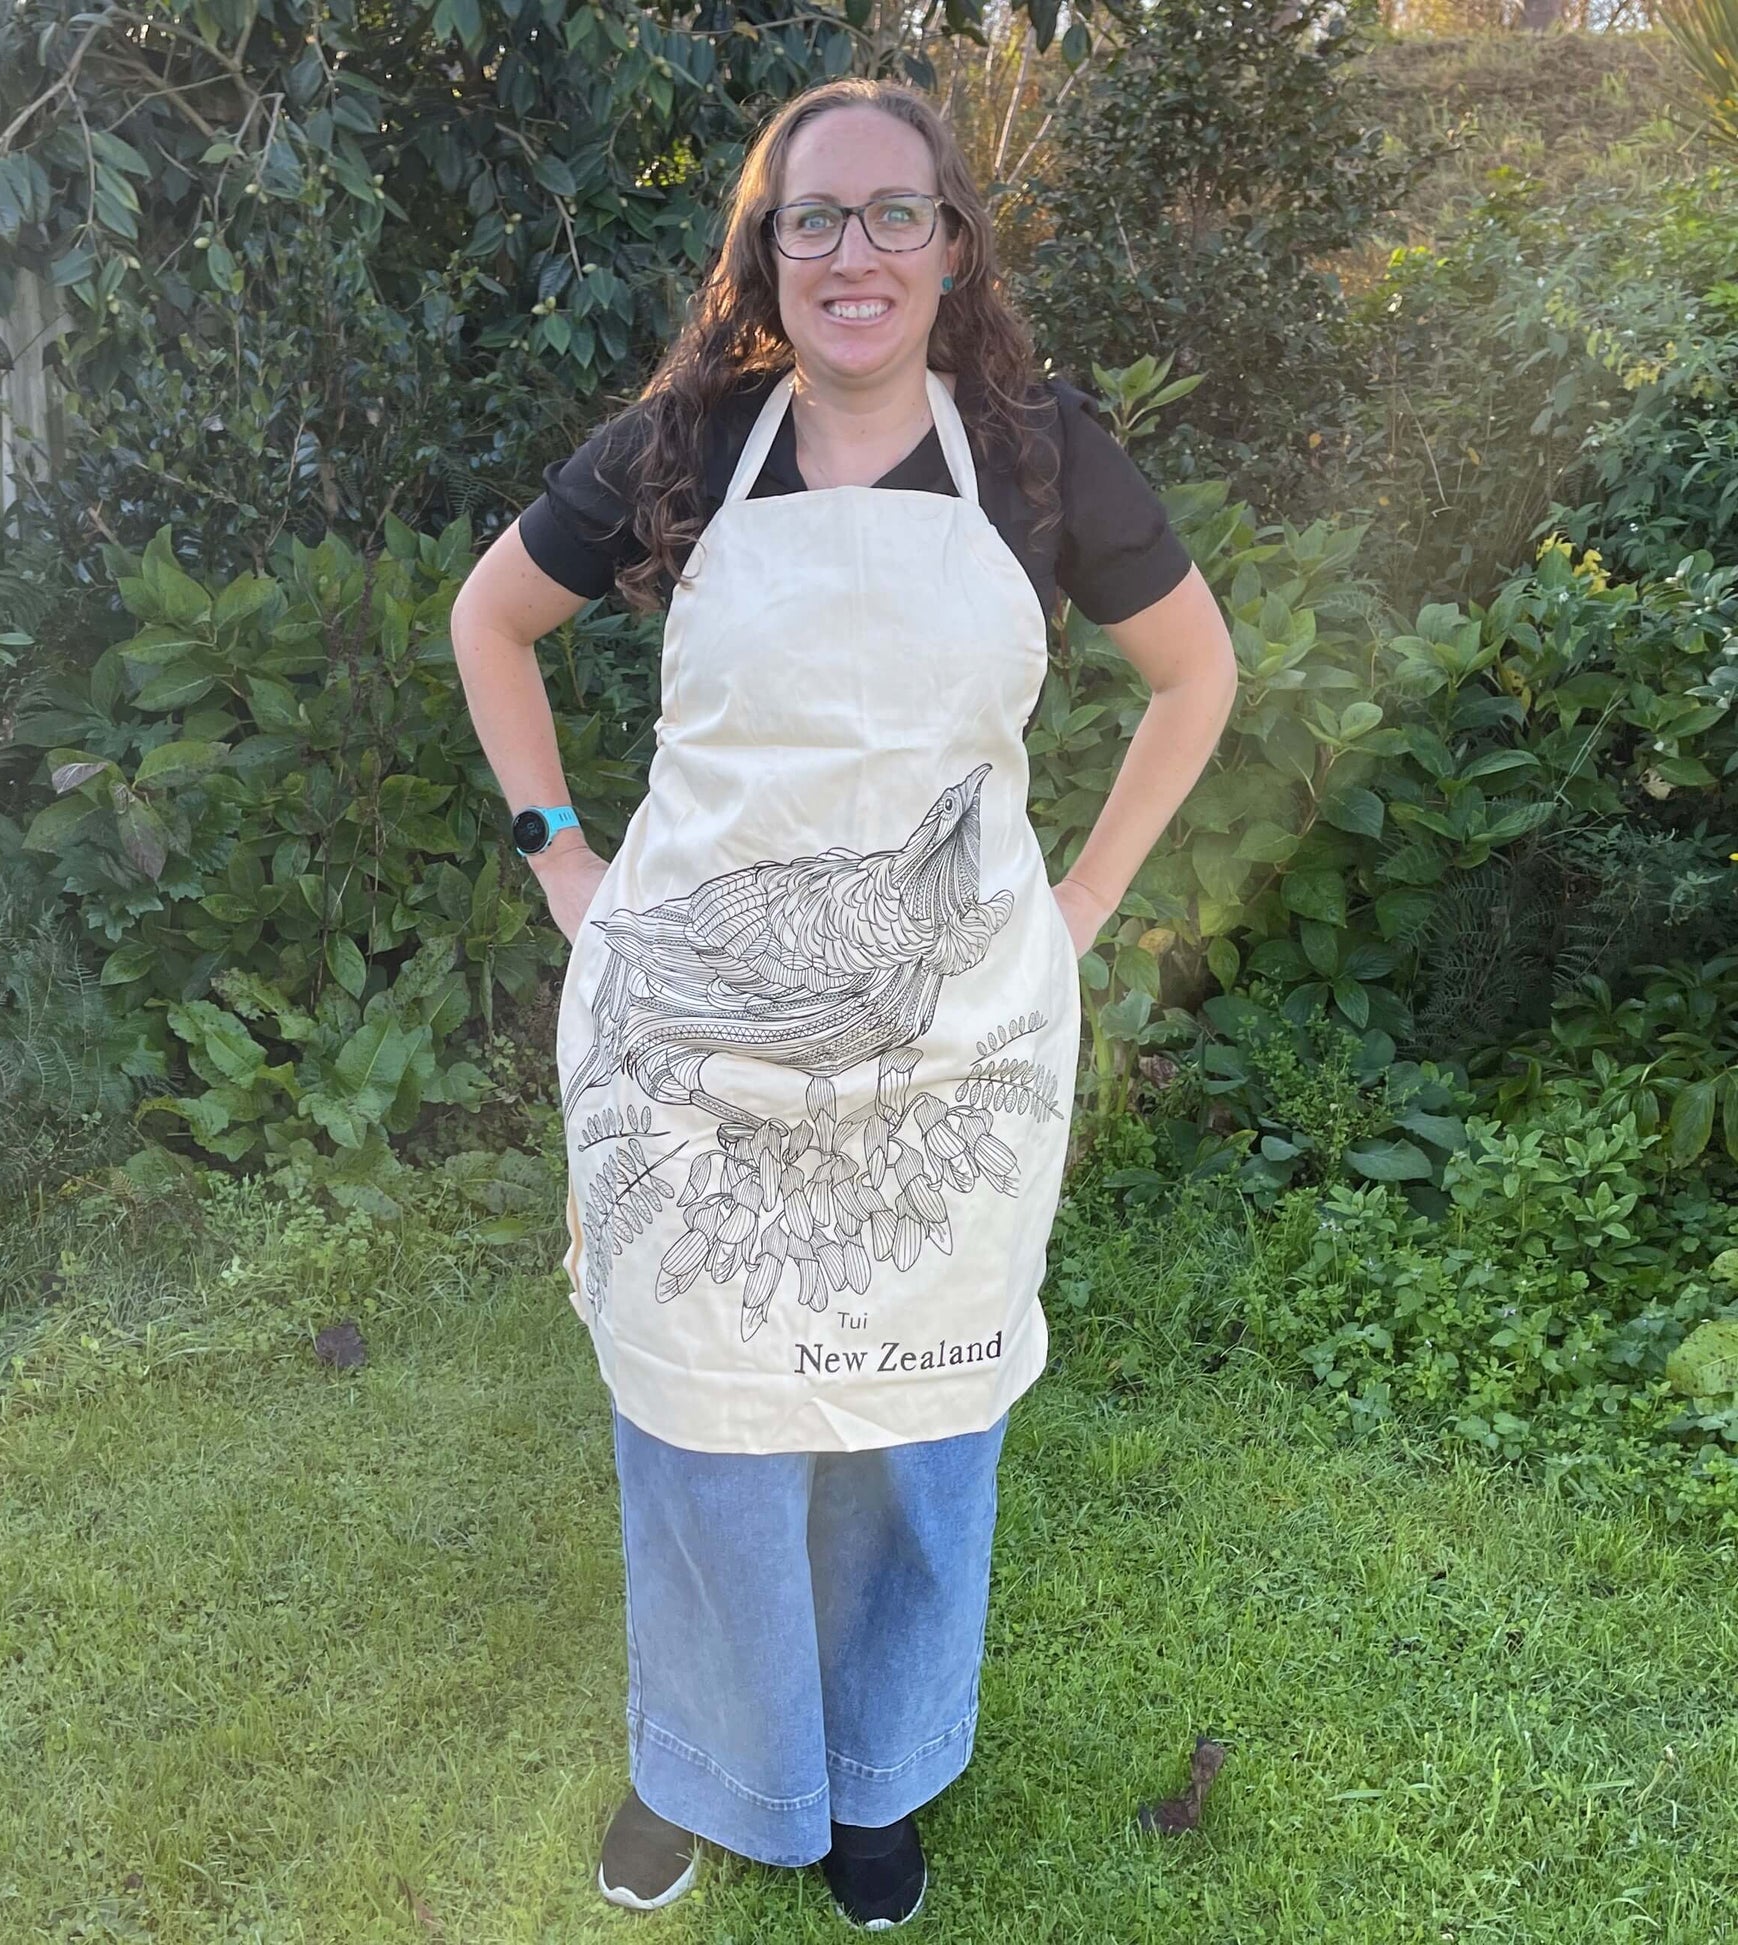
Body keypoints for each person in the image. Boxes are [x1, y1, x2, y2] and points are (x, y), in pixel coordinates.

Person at [451, 75, 1238, 1930]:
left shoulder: (1040, 455)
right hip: (691, 1044)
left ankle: (875, 1782)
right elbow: (491, 619)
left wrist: (1083, 900)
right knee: (700, 1422)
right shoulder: (686, 441)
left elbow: (1195, 675)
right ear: (764, 252)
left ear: (953, 245)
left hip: (953, 1035)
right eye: (813, 219)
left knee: (909, 1431)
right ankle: (706, 1770)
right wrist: (562, 856)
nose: (854, 253)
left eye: (896, 214)